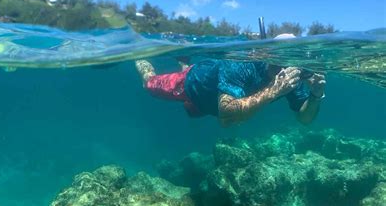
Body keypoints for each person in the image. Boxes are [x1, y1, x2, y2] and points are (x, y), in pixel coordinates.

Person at [135, 56, 325, 127]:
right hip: (192, 84)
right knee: (150, 86)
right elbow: (226, 108)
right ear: (272, 57)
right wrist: (274, 90)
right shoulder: (241, 64)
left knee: (217, 119)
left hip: (209, 100)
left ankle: (184, 63)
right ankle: (139, 58)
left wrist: (315, 95)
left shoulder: (291, 77)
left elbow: (304, 119)